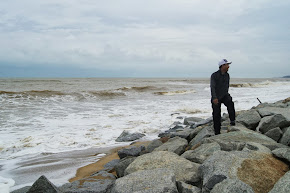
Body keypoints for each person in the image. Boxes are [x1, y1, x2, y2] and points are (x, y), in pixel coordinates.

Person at [210, 59, 236, 135]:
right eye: (227, 65)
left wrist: (226, 96)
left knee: (230, 103)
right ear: (222, 66)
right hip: (216, 96)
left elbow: (226, 87)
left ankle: (232, 121)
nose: (228, 66)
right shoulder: (214, 75)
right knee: (216, 114)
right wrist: (214, 98)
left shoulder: (227, 75)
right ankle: (217, 132)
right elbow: (212, 87)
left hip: (224, 95)